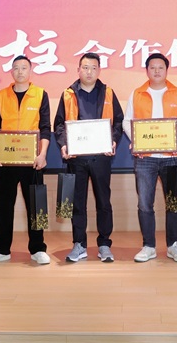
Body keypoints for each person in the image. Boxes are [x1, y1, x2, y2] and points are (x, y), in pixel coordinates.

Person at [123, 53, 177, 263]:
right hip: (145, 158)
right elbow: (127, 121)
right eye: (152, 67)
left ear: (166, 70)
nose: (156, 71)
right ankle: (148, 246)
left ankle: (174, 245)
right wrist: (136, 139)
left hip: (172, 157)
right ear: (147, 70)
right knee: (145, 204)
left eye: (160, 67)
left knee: (174, 203)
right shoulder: (137, 93)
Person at [0, 55, 52, 265]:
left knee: (35, 205)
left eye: (24, 68)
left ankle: (38, 249)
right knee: (5, 205)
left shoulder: (40, 94)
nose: (20, 71)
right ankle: (1, 249)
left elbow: (45, 127)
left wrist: (43, 154)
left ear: (30, 71)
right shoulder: (1, 95)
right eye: (16, 68)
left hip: (32, 160)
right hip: (6, 160)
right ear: (11, 72)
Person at [53, 52, 124, 263]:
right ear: (78, 70)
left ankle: (104, 244)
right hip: (77, 158)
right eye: (85, 67)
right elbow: (59, 124)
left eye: (93, 68)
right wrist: (64, 145)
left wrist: (113, 140)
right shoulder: (68, 94)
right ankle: (79, 244)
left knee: (104, 202)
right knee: (78, 203)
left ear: (99, 70)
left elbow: (118, 122)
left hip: (101, 157)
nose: (89, 72)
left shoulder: (108, 93)